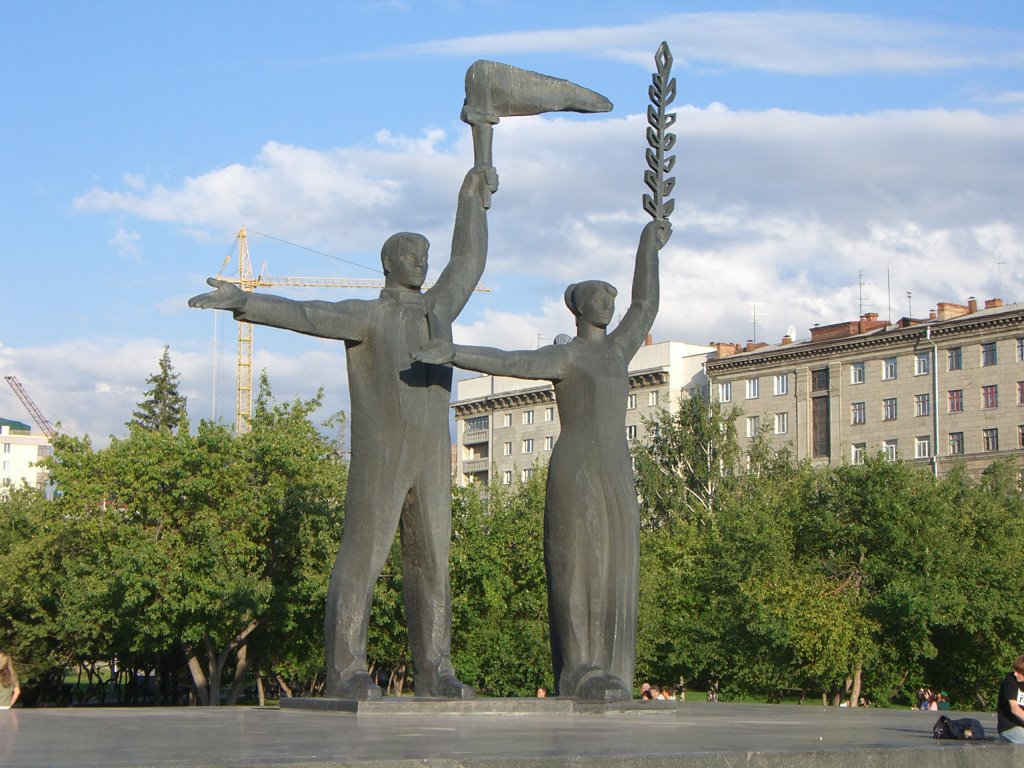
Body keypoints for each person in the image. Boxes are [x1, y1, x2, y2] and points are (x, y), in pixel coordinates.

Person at [189, 164, 497, 700]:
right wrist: (246, 301)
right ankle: (346, 669)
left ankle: (436, 670)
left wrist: (470, 196)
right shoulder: (369, 315)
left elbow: (468, 260)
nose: (422, 262)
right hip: (381, 455)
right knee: (364, 556)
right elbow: (309, 311)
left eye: (425, 254)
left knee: (434, 566)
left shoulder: (439, 309)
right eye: (411, 254)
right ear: (388, 262)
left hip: (430, 455)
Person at [414, 219, 670, 700]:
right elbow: (510, 360)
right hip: (578, 470)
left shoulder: (619, 350)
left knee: (616, 567)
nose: (610, 304)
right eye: (600, 297)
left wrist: (648, 244)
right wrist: (453, 352)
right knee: (578, 566)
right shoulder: (568, 357)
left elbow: (646, 304)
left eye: (611, 298)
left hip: (617, 471)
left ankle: (615, 669)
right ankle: (580, 668)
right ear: (579, 307)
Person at [997, 655, 1024, 743]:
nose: (1015, 673)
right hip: (1010, 728)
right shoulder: (1010, 680)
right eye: (1015, 670)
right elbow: (1014, 708)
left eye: (1019, 671)